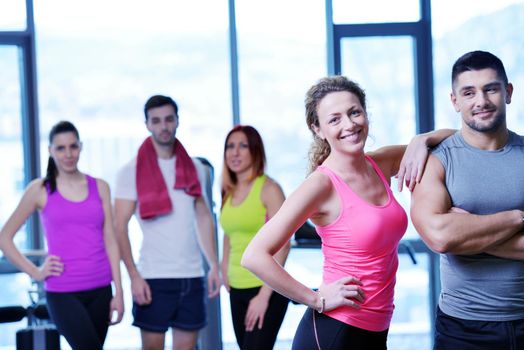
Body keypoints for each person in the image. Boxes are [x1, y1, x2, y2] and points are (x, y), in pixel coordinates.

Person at [241, 75, 455, 350]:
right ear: (318, 129)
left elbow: (453, 142)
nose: (349, 124)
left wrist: (423, 139)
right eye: (335, 119)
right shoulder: (321, 185)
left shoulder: (380, 162)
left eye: (354, 112)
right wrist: (315, 298)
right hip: (335, 332)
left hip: (375, 330)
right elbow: (254, 256)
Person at [410, 50, 524, 349]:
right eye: (469, 92)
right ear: (455, 101)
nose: (481, 101)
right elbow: (440, 237)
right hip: (463, 328)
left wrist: (468, 231)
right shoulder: (437, 161)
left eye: (491, 89)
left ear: (508, 92)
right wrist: (516, 219)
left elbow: (452, 236)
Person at [0, 121, 124, 350]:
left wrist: (119, 292)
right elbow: (4, 237)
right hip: (63, 292)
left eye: (73, 147)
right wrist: (36, 272)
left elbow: (110, 240)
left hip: (101, 289)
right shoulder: (39, 189)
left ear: (81, 147)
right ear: (50, 150)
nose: (68, 154)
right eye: (61, 148)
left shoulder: (101, 187)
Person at [114, 95, 221, 350]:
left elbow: (204, 216)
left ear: (177, 121)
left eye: (169, 119)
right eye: (157, 120)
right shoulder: (130, 170)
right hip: (153, 277)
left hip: (192, 275)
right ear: (147, 124)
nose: (164, 126)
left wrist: (214, 265)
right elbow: (119, 225)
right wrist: (134, 277)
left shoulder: (196, 168)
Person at [220, 125, 290, 349]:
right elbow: (230, 232)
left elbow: (284, 244)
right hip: (237, 288)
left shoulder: (269, 189)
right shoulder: (227, 190)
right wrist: (224, 267)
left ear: (255, 151)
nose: (235, 152)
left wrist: (263, 296)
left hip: (265, 287)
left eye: (243, 146)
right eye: (230, 146)